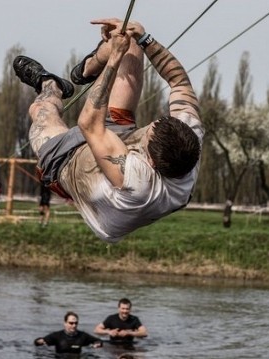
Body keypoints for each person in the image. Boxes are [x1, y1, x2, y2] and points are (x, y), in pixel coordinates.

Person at [13, 17, 203, 243]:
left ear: (149, 161)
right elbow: (179, 81)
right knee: (130, 39)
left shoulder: (138, 182)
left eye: (149, 133)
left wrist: (114, 57)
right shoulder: (190, 139)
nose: (151, 124)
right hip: (116, 139)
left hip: (68, 166)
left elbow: (89, 123)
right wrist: (145, 37)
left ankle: (50, 84)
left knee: (41, 109)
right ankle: (87, 68)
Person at [34, 311, 102, 354]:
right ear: (65, 323)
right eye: (71, 323)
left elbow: (99, 341)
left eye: (76, 323)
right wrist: (39, 342)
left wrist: (97, 344)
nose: (74, 325)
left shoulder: (83, 336)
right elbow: (37, 342)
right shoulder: (57, 336)